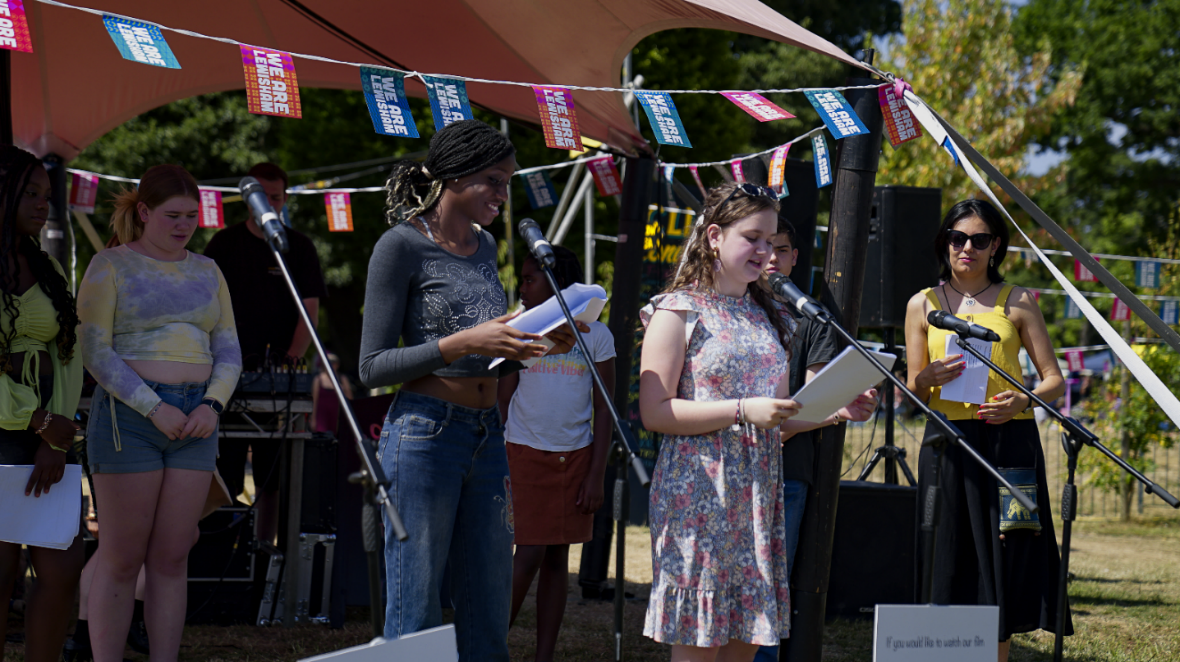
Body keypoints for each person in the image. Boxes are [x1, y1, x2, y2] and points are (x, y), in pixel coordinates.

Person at [359, 119, 582, 661]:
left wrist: (526, 348)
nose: (503, 194)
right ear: (455, 177)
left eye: (508, 182)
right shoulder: (400, 245)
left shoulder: (485, 246)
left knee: (487, 605)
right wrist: (461, 343)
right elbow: (371, 367)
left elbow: (482, 358)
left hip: (486, 434)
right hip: (424, 435)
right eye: (494, 180)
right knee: (416, 609)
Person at [78, 164, 242, 662]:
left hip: (197, 418)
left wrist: (213, 404)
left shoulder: (209, 269)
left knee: (172, 556)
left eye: (192, 216)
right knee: (122, 557)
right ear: (144, 212)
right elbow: (95, 351)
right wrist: (153, 407)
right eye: (173, 215)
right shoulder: (110, 264)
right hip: (131, 416)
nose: (184, 225)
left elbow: (229, 349)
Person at [639, 182, 802, 662]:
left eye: (770, 241)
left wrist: (836, 410)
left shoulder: (769, 316)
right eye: (752, 238)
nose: (764, 251)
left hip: (756, 498)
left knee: (743, 646)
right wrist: (740, 409)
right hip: (699, 494)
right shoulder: (678, 310)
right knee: (699, 645)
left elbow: (774, 416)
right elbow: (655, 411)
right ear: (714, 236)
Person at [904, 198, 1070, 661]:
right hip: (947, 443)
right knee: (946, 552)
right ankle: (940, 652)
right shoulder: (922, 304)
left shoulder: (1018, 300)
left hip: (1009, 443)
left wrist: (1024, 399)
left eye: (979, 240)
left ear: (996, 246)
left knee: (1007, 557)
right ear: (945, 242)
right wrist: (925, 378)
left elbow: (1054, 380)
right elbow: (912, 390)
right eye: (958, 238)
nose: (967, 248)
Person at [753, 218, 877, 662]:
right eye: (762, 245)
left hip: (787, 471)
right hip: (726, 461)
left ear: (794, 258)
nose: (771, 258)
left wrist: (842, 408)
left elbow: (813, 400)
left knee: (769, 587)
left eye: (781, 249)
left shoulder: (812, 317)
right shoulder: (731, 308)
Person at [497, 246, 616, 661]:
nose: (522, 287)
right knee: (529, 551)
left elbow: (605, 407)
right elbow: (503, 398)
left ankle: (543, 656)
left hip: (576, 458)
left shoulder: (595, 335)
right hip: (524, 452)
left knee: (557, 557)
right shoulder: (519, 330)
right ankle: (488, 647)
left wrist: (596, 474)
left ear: (557, 283)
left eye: (531, 279)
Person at [205, 161, 327, 543]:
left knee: (273, 475)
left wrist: (290, 360)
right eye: (262, 196)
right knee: (222, 469)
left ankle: (263, 550)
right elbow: (202, 306)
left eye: (276, 197)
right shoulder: (224, 243)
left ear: (285, 198)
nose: (269, 204)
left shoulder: (299, 247)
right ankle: (221, 546)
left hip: (278, 377)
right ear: (247, 198)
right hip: (224, 372)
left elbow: (309, 312)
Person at [0, 146, 85, 662]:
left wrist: (57, 432)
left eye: (46, 195)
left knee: (62, 568)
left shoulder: (48, 268)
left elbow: (68, 355)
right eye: (29, 193)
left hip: (49, 436)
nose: (41, 205)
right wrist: (30, 417)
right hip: (7, 430)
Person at [311, 351, 353, 435]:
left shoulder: (342, 379)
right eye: (329, 362)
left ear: (337, 364)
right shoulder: (318, 379)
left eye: (334, 362)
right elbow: (314, 401)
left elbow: (350, 399)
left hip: (337, 416)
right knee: (322, 436)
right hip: (321, 416)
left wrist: (343, 389)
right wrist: (312, 419)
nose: (331, 364)